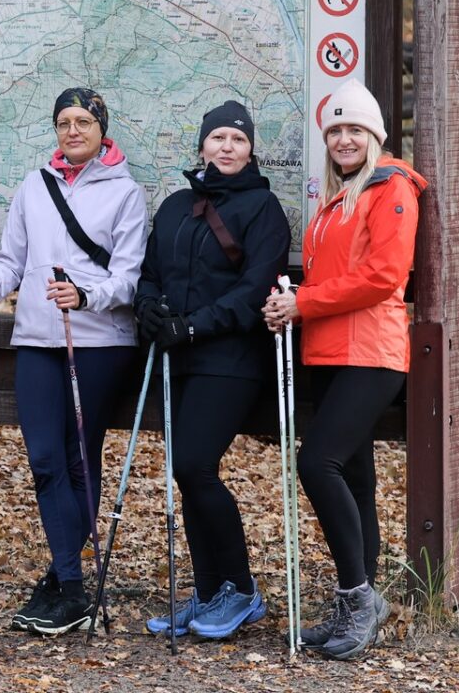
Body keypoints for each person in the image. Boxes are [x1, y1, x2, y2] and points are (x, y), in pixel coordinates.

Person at [0, 87, 147, 636]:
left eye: (83, 121)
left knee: (78, 461)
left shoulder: (126, 193)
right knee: (44, 459)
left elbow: (129, 277)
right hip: (39, 338)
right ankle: (69, 585)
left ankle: (66, 583)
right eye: (63, 122)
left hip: (99, 342)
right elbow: (10, 261)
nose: (72, 131)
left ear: (101, 129)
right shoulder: (34, 186)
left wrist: (86, 296)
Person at [263, 79, 423, 661]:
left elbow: (385, 275)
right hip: (328, 351)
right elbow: (331, 276)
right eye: (335, 131)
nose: (345, 139)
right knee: (354, 479)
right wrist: (292, 301)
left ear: (375, 137)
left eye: (355, 129)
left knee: (317, 462)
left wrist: (303, 303)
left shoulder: (391, 188)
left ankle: (358, 597)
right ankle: (361, 599)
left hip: (371, 353)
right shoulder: (337, 199)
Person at [133, 100, 290, 640]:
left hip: (231, 359)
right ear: (202, 145)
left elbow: (254, 290)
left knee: (195, 465)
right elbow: (150, 270)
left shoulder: (263, 208)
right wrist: (148, 307)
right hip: (177, 356)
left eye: (238, 140)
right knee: (185, 470)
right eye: (218, 137)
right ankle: (206, 595)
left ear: (250, 150)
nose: (227, 147)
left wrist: (195, 325)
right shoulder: (177, 205)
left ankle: (242, 591)